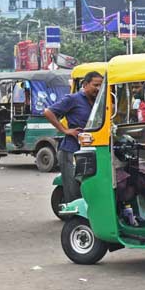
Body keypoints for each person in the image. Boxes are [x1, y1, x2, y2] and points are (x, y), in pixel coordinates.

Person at [44, 71, 103, 203]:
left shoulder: (98, 102)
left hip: (89, 151)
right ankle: (74, 221)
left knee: (87, 187)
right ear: (85, 84)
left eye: (101, 85)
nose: (98, 88)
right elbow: (48, 112)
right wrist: (65, 130)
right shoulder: (73, 99)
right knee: (73, 189)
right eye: (96, 85)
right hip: (71, 151)